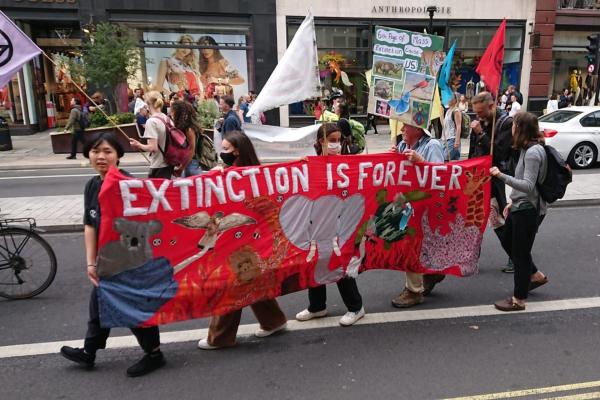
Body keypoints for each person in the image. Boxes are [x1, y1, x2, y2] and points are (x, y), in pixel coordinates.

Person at [60, 132, 165, 377]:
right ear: (88, 155)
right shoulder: (92, 185)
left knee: (132, 306)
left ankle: (155, 354)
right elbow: (89, 224)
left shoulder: (129, 186)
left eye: (108, 151)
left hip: (130, 261)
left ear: (118, 156)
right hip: (106, 260)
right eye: (96, 152)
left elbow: (147, 225)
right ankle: (89, 352)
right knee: (99, 303)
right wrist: (91, 262)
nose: (101, 157)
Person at [198, 130, 287, 349]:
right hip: (247, 239)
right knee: (251, 278)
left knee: (231, 284)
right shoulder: (243, 174)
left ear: (237, 152)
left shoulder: (242, 177)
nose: (222, 153)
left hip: (243, 242)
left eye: (226, 149)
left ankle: (220, 337)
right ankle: (273, 320)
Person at [295, 123, 366, 326]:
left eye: (338, 140)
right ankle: (317, 306)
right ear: (321, 142)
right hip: (318, 223)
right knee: (316, 261)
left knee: (339, 262)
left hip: (341, 223)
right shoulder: (312, 163)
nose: (336, 144)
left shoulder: (347, 164)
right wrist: (299, 167)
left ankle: (356, 307)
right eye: (331, 140)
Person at [489, 112, 549, 311]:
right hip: (519, 206)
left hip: (528, 210)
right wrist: (512, 202)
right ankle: (535, 275)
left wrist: (501, 175)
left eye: (514, 125)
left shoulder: (533, 152)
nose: (511, 128)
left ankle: (518, 299)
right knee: (509, 242)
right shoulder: (526, 148)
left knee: (520, 254)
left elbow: (528, 185)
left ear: (521, 128)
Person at [390, 124, 445, 307]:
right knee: (415, 245)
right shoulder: (402, 146)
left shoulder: (432, 146)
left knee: (410, 245)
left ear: (418, 130)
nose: (402, 129)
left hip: (426, 206)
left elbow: (442, 176)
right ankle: (431, 272)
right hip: (408, 206)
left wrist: (422, 161)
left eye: (406, 126)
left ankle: (414, 291)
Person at [129, 91, 174, 178]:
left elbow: (152, 147)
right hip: (169, 163)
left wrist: (138, 145)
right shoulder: (167, 119)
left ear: (148, 104)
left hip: (158, 166)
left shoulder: (151, 121)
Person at [171, 100, 213, 177]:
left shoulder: (189, 129)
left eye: (173, 111)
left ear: (179, 113)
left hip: (190, 164)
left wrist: (182, 167)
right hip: (188, 163)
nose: (171, 114)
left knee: (193, 186)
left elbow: (191, 150)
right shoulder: (185, 127)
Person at [442, 92, 462, 161]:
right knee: (451, 162)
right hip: (446, 140)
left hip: (452, 139)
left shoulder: (456, 111)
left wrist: (457, 141)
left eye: (450, 98)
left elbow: (458, 126)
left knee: (445, 160)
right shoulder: (448, 111)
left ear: (455, 100)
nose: (448, 99)